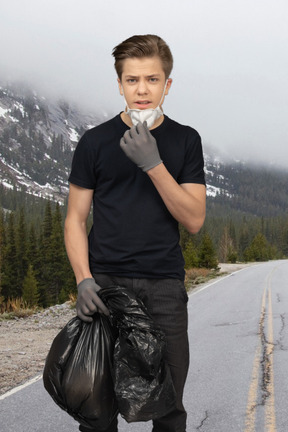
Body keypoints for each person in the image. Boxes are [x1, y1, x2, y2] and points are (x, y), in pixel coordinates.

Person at [64, 34, 206, 432]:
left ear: (167, 84)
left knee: (170, 406)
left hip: (164, 287)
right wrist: (84, 280)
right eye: (132, 80)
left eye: (152, 79)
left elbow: (194, 220)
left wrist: (153, 164)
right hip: (106, 285)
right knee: (97, 407)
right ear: (120, 84)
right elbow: (75, 218)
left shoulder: (185, 140)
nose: (142, 90)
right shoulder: (94, 142)